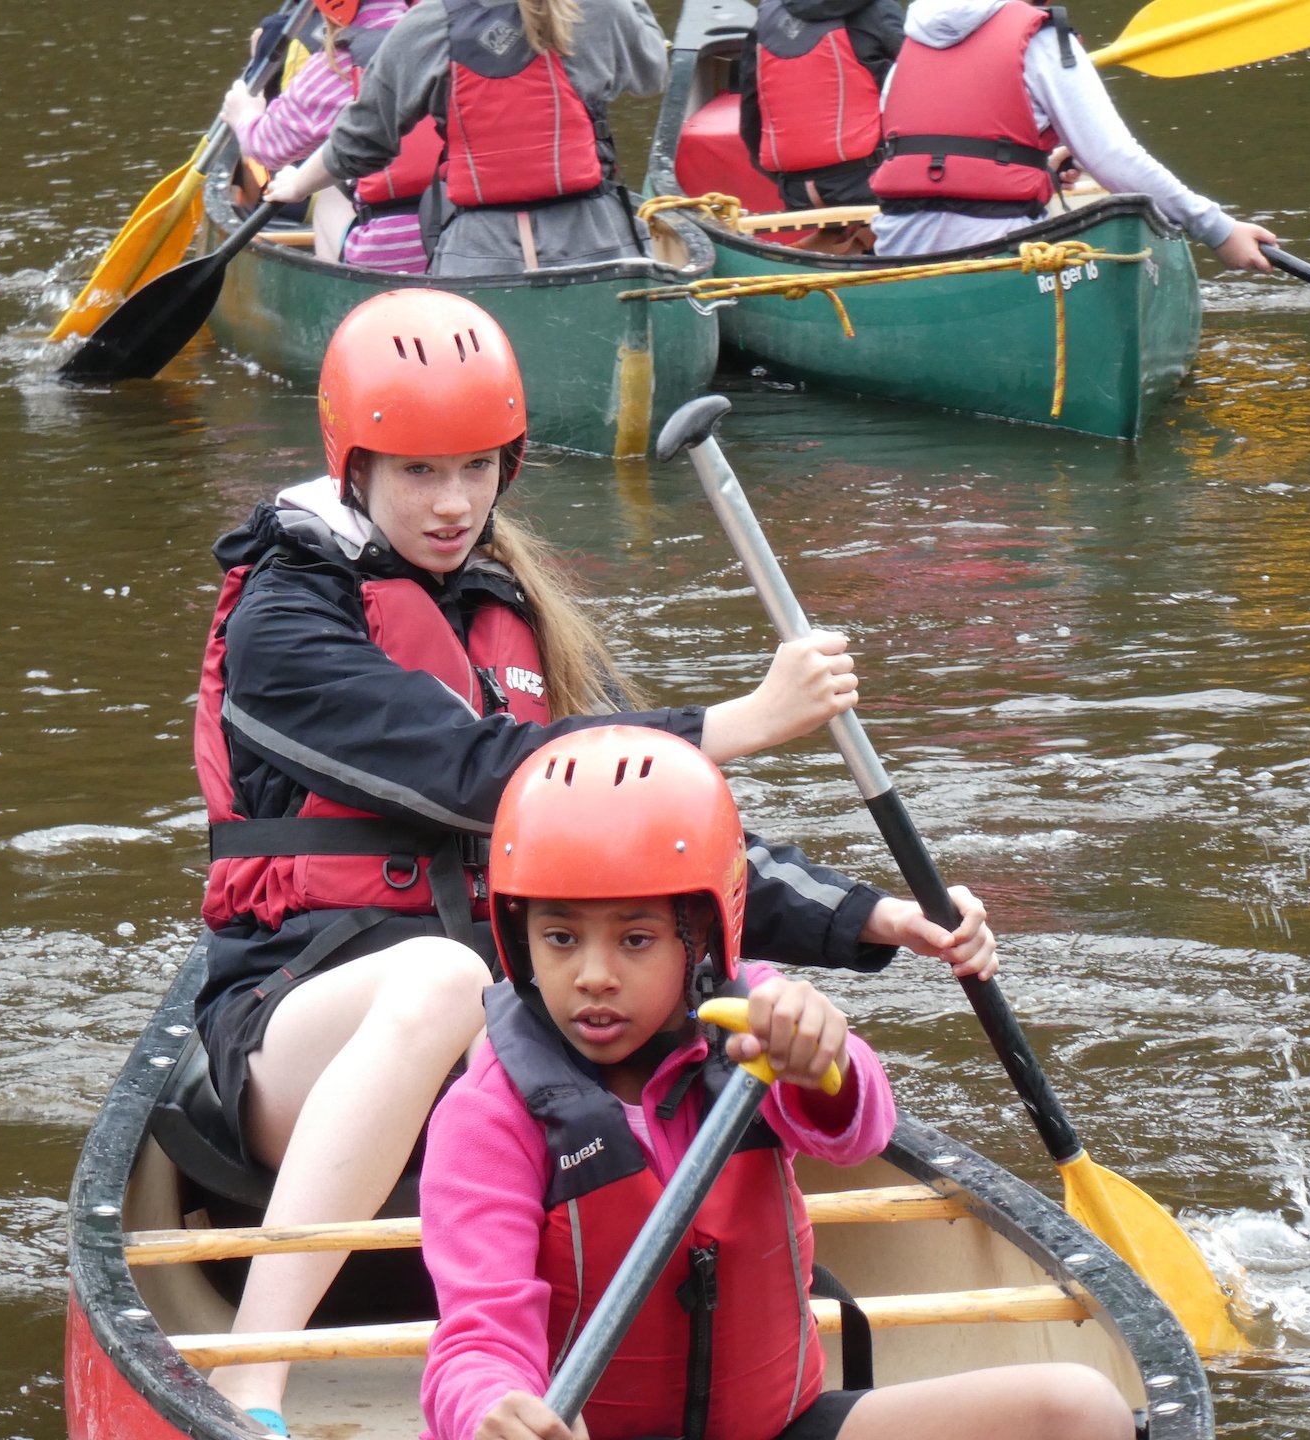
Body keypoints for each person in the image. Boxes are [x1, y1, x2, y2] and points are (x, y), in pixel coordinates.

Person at [194, 289, 1000, 1437]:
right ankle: (253, 1377)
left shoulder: (513, 608)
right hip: (290, 1036)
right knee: (438, 980)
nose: (454, 501)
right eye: (420, 471)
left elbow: (645, 832)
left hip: (514, 1031)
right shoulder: (286, 619)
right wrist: (736, 722)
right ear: (355, 461)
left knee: (681, 1019)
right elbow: (475, 770)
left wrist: (872, 920)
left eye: (478, 468)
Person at [420, 725, 1132, 1440]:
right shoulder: (489, 1113)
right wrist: (492, 1412)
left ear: (700, 934)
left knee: (1080, 1411)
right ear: (520, 937)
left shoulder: (751, 1023)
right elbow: (478, 1341)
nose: (594, 974)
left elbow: (862, 1135)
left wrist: (828, 1063)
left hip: (774, 1427)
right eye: (561, 937)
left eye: (635, 939)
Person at [260, 0, 669, 276]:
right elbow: (652, 74)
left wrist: (295, 184)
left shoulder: (429, 23)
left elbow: (360, 143)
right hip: (599, 242)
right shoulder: (599, 7)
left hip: (477, 256)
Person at [869, 0, 1275, 269]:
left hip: (899, 260)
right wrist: (1219, 231)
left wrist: (1039, 167)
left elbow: (936, 157)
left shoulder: (911, 47)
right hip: (1006, 262)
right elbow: (1114, 159)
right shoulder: (1044, 40)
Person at [223, 0, 437, 272]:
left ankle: (331, 280)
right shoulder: (444, 34)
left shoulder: (340, 61)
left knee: (329, 193)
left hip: (386, 256)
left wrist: (243, 115)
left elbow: (268, 149)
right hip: (459, 236)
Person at [739, 0, 906, 211]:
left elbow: (750, 118)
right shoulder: (879, 10)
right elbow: (918, 86)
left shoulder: (765, 22)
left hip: (798, 192)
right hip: (873, 183)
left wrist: (783, 179)